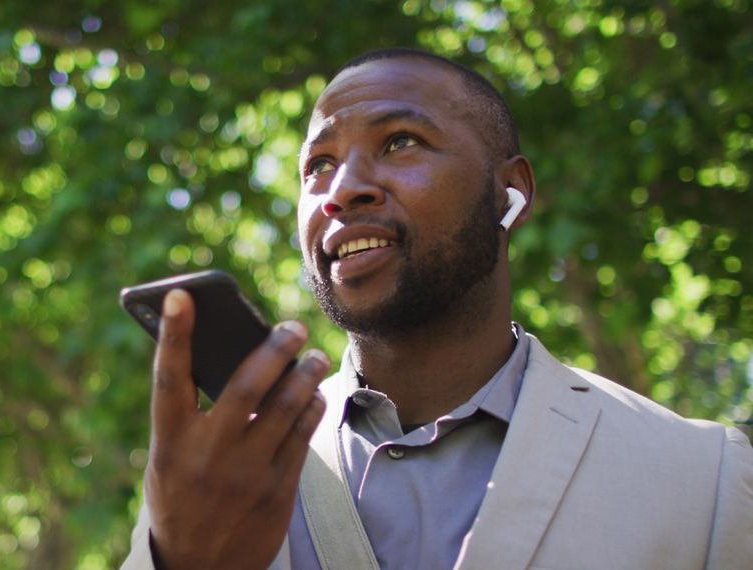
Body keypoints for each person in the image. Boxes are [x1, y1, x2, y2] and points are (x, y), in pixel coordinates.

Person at [122, 48, 753, 569]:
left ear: (512, 192)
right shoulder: (216, 475)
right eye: (319, 165)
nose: (342, 191)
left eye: (400, 142)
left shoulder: (707, 478)